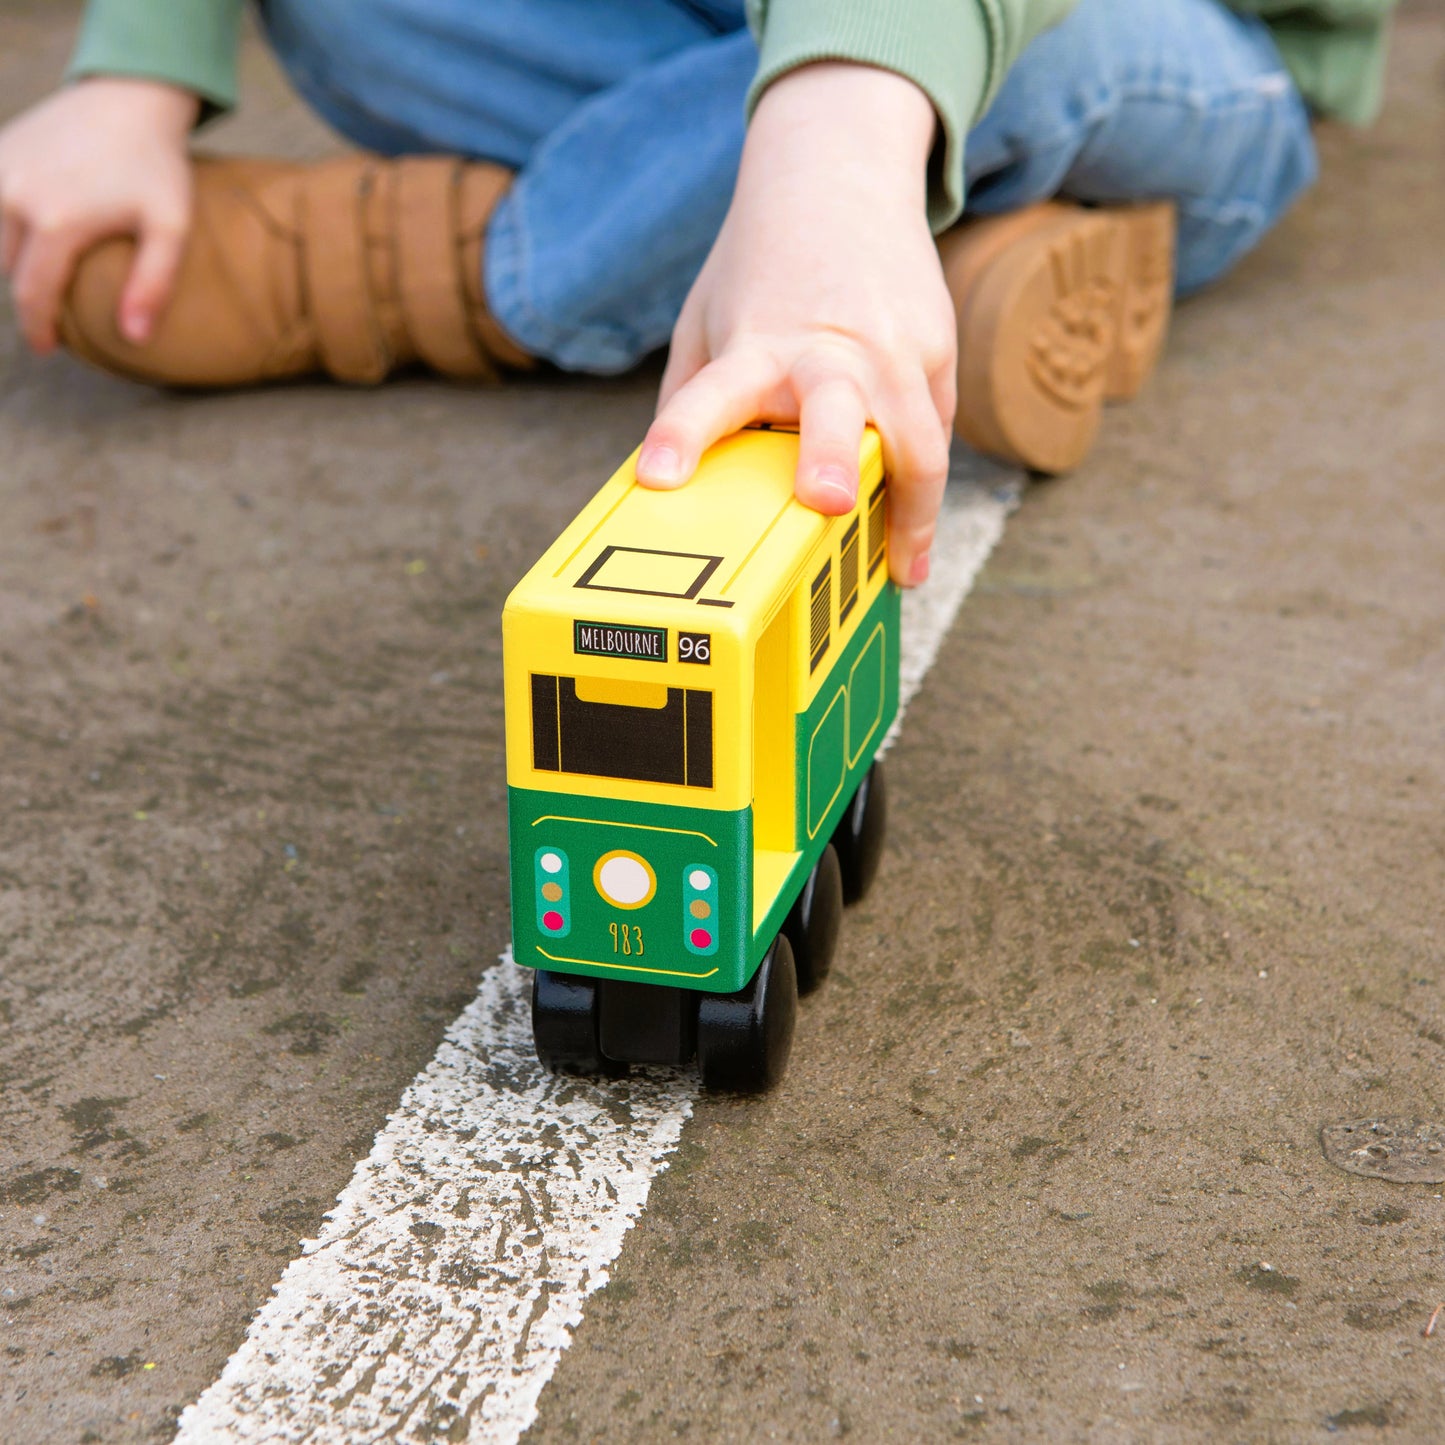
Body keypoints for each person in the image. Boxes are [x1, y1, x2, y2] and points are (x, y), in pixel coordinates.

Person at [0, 0, 1395, 586]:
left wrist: (841, 139)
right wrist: (136, 68)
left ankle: (445, 268)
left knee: (986, 54)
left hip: (1181, 42)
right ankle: (936, 218)